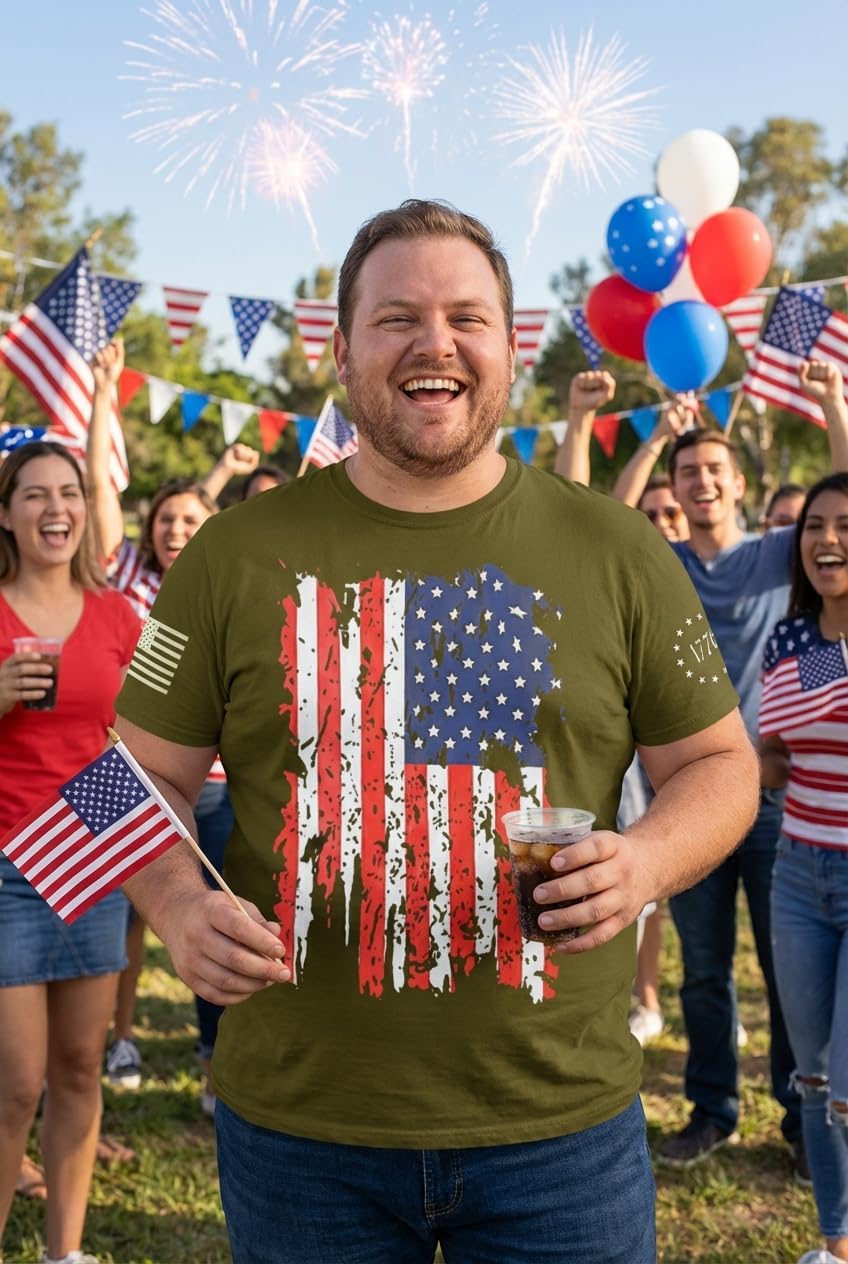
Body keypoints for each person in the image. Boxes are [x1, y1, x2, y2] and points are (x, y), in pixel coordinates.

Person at [112, 199, 758, 1264]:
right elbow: (127, 775)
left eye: (467, 316)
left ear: (511, 346)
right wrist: (176, 900)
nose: (435, 343)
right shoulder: (227, 554)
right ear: (339, 350)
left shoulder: (617, 549)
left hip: (560, 1131)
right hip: (299, 1134)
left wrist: (643, 859)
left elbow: (719, 765)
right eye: (395, 317)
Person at [0, 441, 140, 1264]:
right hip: (7, 863)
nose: (56, 508)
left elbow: (164, 723)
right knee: (17, 1082)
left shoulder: (120, 614)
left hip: (92, 853)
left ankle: (65, 1252)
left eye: (71, 492)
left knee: (80, 1066)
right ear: (6, 513)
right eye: (35, 495)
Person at [87, 344, 229, 1112]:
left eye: (192, 519)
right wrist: (106, 391)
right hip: (128, 778)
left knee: (219, 916)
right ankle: (120, 1039)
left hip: (219, 787)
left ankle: (215, 1059)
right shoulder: (130, 581)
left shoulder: (230, 586)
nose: (178, 529)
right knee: (130, 925)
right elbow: (106, 505)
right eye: (167, 519)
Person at [760, 473, 848, 1264]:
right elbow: (772, 755)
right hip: (798, 873)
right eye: (814, 526)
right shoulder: (791, 641)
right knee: (815, 1083)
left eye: (845, 524)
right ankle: (835, 1244)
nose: (827, 539)